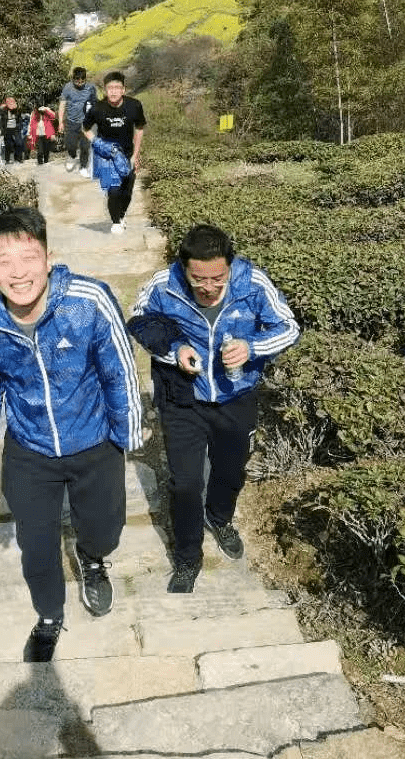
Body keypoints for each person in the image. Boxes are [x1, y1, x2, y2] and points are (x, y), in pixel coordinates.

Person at [0, 206, 143, 662]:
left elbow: (119, 370)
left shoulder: (89, 300)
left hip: (94, 441)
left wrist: (127, 433)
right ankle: (48, 614)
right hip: (30, 450)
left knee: (104, 529)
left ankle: (93, 559)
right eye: (3, 262)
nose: (18, 273)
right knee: (36, 546)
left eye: (28, 258)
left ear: (48, 258)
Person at [127, 223, 299, 593]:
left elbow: (289, 327)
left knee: (231, 469)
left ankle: (219, 517)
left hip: (236, 396)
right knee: (185, 482)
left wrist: (252, 347)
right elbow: (139, 320)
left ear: (230, 267)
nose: (208, 287)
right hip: (183, 399)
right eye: (198, 279)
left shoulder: (253, 283)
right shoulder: (163, 285)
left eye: (217, 278)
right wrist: (175, 350)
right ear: (183, 269)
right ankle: (188, 557)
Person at [82, 72, 146, 234]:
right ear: (105, 90)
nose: (114, 91)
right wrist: (97, 142)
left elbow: (139, 129)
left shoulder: (134, 106)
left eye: (117, 88)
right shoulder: (98, 108)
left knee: (127, 190)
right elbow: (85, 128)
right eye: (110, 88)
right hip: (106, 155)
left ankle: (121, 214)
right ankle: (116, 221)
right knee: (113, 189)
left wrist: (135, 155)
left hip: (127, 154)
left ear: (124, 90)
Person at [58, 67, 97, 176]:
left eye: (82, 81)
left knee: (85, 146)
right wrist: (60, 121)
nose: (79, 84)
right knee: (71, 144)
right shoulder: (68, 87)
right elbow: (62, 104)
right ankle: (71, 156)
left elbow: (95, 103)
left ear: (85, 79)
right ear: (73, 79)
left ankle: (83, 167)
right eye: (77, 81)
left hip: (86, 122)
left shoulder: (91, 88)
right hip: (71, 121)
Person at [0, 98, 24, 164]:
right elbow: (1, 121)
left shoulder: (17, 111)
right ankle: (7, 159)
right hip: (7, 129)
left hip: (16, 128)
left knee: (19, 143)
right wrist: (1, 131)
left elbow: (19, 119)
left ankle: (18, 158)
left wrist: (20, 128)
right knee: (8, 144)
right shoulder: (3, 111)